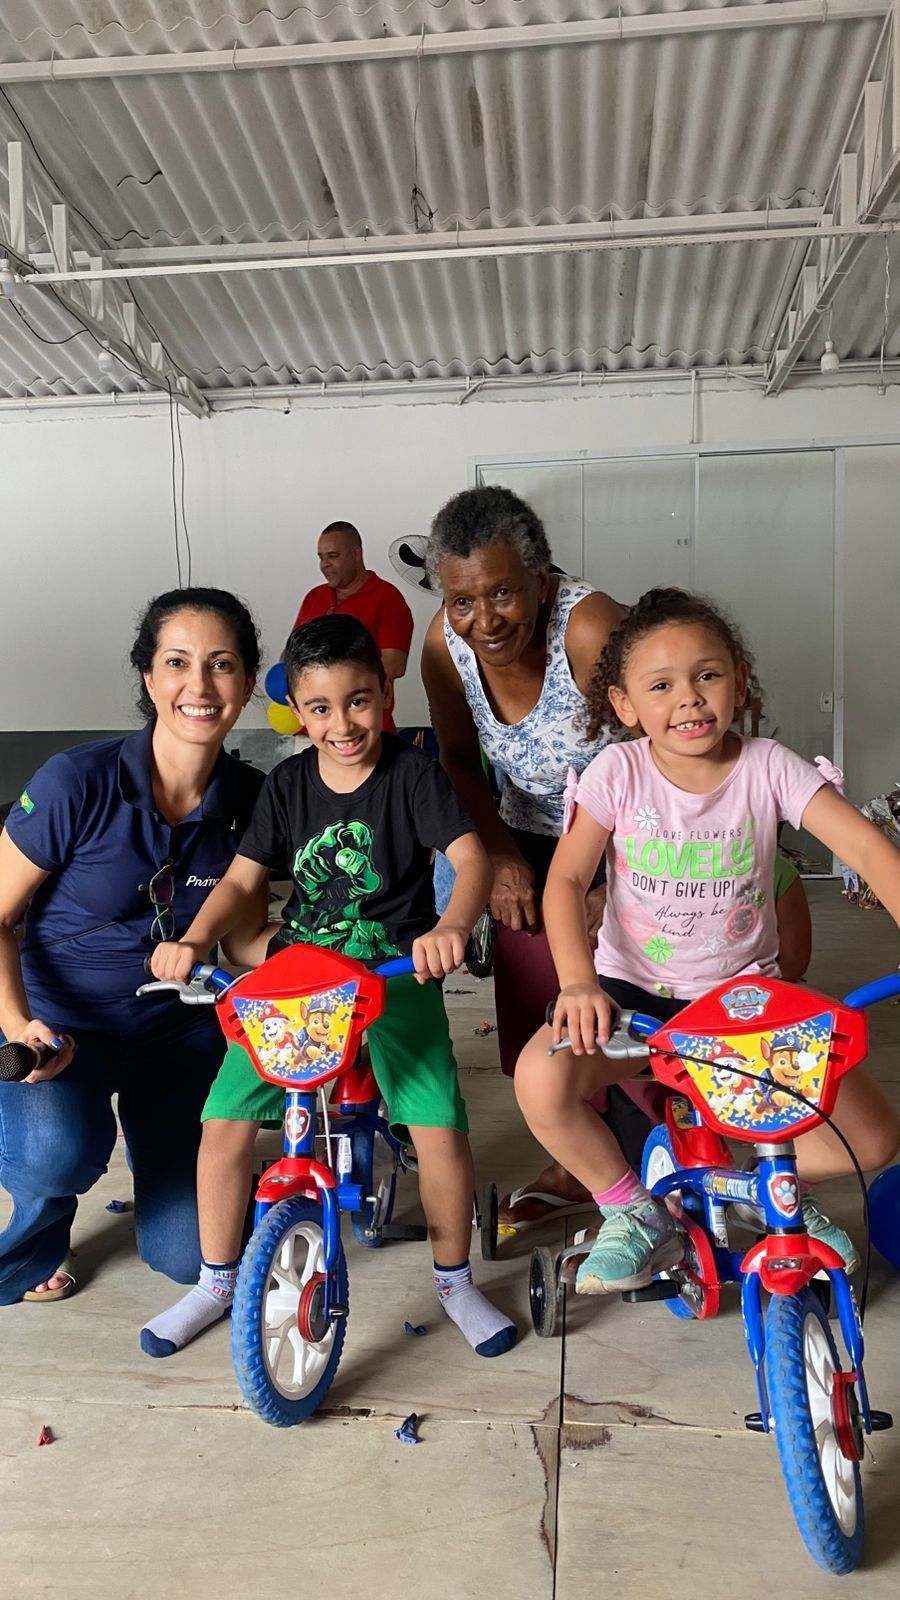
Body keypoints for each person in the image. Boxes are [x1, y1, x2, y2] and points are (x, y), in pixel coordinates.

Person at [140, 615, 517, 1362]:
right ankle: (218, 1280)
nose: (341, 723)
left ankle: (453, 1280)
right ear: (297, 713)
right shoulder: (285, 785)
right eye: (320, 707)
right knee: (224, 1120)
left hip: (392, 974)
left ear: (384, 698)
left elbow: (472, 861)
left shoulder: (413, 777)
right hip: (300, 982)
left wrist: (448, 926)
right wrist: (190, 939)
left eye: (358, 701)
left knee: (437, 1122)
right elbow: (245, 877)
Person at [514, 587, 900, 1294]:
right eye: (661, 685)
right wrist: (575, 983)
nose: (689, 698)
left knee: (875, 1138)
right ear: (627, 706)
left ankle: (761, 1180)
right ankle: (631, 1209)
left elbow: (873, 853)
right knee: (539, 1080)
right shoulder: (619, 772)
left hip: (743, 1000)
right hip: (632, 998)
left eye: (707, 675)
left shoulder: (769, 767)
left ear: (739, 681)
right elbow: (566, 882)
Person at [0, 588, 267, 1306]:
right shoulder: (75, 783)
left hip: (178, 1036)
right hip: (61, 1026)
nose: (200, 686)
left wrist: (344, 952)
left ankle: (175, 1149)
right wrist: (18, 1025)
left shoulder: (253, 800)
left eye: (222, 665)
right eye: (177, 662)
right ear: (149, 679)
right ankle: (39, 1227)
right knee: (56, 1152)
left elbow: (244, 940)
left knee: (189, 1259)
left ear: (246, 683)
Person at [420, 485, 624, 1223]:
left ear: (541, 582)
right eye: (462, 600)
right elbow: (455, 760)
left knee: (635, 994)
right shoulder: (445, 644)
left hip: (630, 833)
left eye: (503, 593)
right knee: (545, 1006)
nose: (483, 620)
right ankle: (584, 1159)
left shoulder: (592, 630)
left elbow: (673, 748)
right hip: (529, 832)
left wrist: (624, 881)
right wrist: (501, 857)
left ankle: (658, 1153)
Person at [291, 520, 414, 733]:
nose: (324, 564)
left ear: (356, 554)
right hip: (311, 732)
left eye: (332, 556)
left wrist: (334, 683)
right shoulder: (314, 597)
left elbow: (394, 664)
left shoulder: (387, 598)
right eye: (321, 557)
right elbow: (291, 655)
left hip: (368, 732)